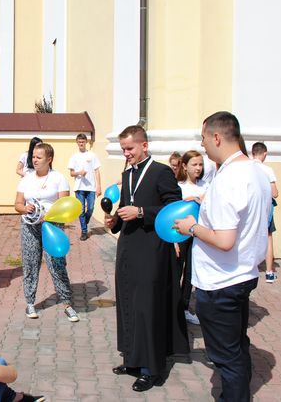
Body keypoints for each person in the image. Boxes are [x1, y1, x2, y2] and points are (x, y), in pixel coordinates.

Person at [175, 111, 271, 402]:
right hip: (242, 274)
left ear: (217, 137)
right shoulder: (256, 170)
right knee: (237, 346)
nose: (202, 145)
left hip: (221, 282)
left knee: (227, 358)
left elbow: (225, 240)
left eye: (204, 138)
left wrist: (192, 227)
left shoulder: (229, 178)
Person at [104, 125, 188, 392]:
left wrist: (141, 212)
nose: (126, 154)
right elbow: (125, 207)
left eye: (129, 148)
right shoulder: (127, 172)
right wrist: (114, 220)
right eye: (123, 149)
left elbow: (173, 207)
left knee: (147, 306)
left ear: (144, 146)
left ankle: (152, 368)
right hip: (128, 246)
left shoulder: (161, 172)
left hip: (152, 248)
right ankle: (132, 359)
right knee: (128, 301)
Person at [14, 143, 79, 322]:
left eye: (38, 157)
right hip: (30, 226)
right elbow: (17, 204)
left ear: (49, 159)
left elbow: (64, 204)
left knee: (56, 263)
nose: (34, 160)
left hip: (52, 226)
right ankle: (30, 303)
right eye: (33, 156)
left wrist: (48, 216)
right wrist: (25, 208)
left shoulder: (58, 178)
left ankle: (67, 303)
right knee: (30, 264)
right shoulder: (26, 179)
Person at [176, 150, 209, 325]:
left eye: (200, 164)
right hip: (180, 235)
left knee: (190, 273)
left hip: (198, 234)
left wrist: (200, 200)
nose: (198, 168)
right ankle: (172, 306)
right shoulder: (179, 186)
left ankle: (185, 306)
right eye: (194, 164)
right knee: (176, 271)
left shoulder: (206, 186)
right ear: (184, 166)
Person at [251, 142, 279, 283]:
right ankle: (269, 272)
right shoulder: (267, 170)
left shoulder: (248, 167)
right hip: (265, 209)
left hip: (251, 208)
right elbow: (274, 193)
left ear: (252, 152)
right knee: (268, 237)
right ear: (265, 153)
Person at [67, 133, 102, 241]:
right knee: (81, 210)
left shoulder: (92, 155)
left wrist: (99, 186)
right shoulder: (74, 156)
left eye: (83, 142)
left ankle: (84, 222)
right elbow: (71, 173)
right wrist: (79, 173)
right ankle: (84, 231)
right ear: (77, 143)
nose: (81, 144)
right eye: (79, 142)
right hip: (79, 187)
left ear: (86, 142)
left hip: (91, 187)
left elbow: (97, 171)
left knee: (90, 208)